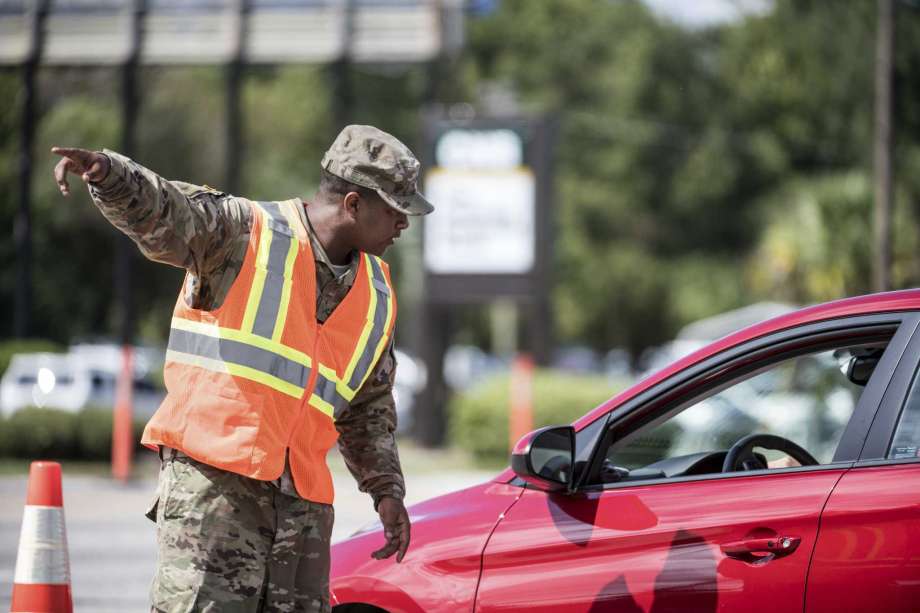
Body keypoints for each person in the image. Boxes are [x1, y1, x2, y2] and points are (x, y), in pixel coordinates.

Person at [51, 124, 434, 612]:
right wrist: (109, 174)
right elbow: (169, 210)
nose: (404, 223)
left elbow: (366, 406)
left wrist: (386, 491)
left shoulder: (378, 290)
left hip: (303, 514)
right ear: (354, 204)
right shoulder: (243, 231)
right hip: (216, 495)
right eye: (395, 210)